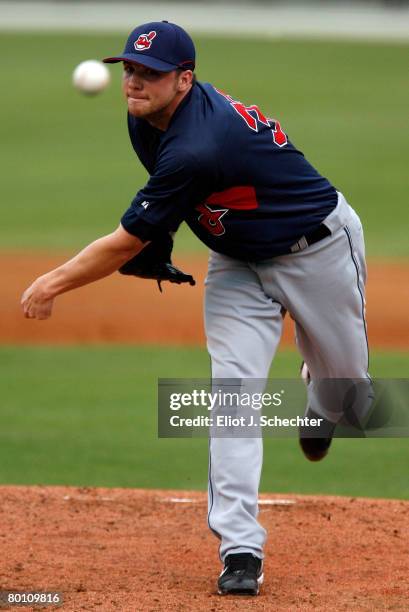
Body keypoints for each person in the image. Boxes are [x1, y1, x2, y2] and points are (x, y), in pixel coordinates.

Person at [21, 21, 370, 596]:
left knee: (353, 394)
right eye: (129, 69)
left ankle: (322, 394)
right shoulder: (148, 118)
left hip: (320, 249)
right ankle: (241, 548)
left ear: (185, 79)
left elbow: (126, 241)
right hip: (236, 263)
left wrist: (52, 283)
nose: (134, 82)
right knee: (232, 395)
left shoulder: (200, 144)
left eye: (151, 73)